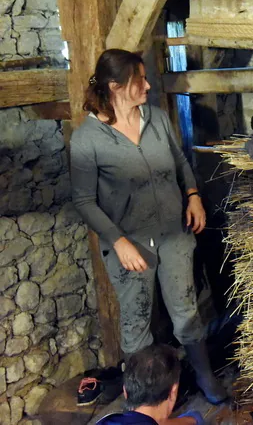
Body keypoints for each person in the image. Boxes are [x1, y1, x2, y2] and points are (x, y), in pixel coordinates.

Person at [71, 49, 226, 404]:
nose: (147, 84)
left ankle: (205, 378)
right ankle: (140, 399)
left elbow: (180, 160)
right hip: (131, 244)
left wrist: (193, 195)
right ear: (115, 86)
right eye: (139, 79)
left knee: (185, 312)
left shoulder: (155, 117)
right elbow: (84, 201)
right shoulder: (88, 139)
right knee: (136, 322)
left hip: (174, 235)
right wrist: (118, 241)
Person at [96, 344, 205, 425]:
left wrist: (192, 419)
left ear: (125, 392)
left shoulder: (108, 420)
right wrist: (195, 419)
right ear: (173, 392)